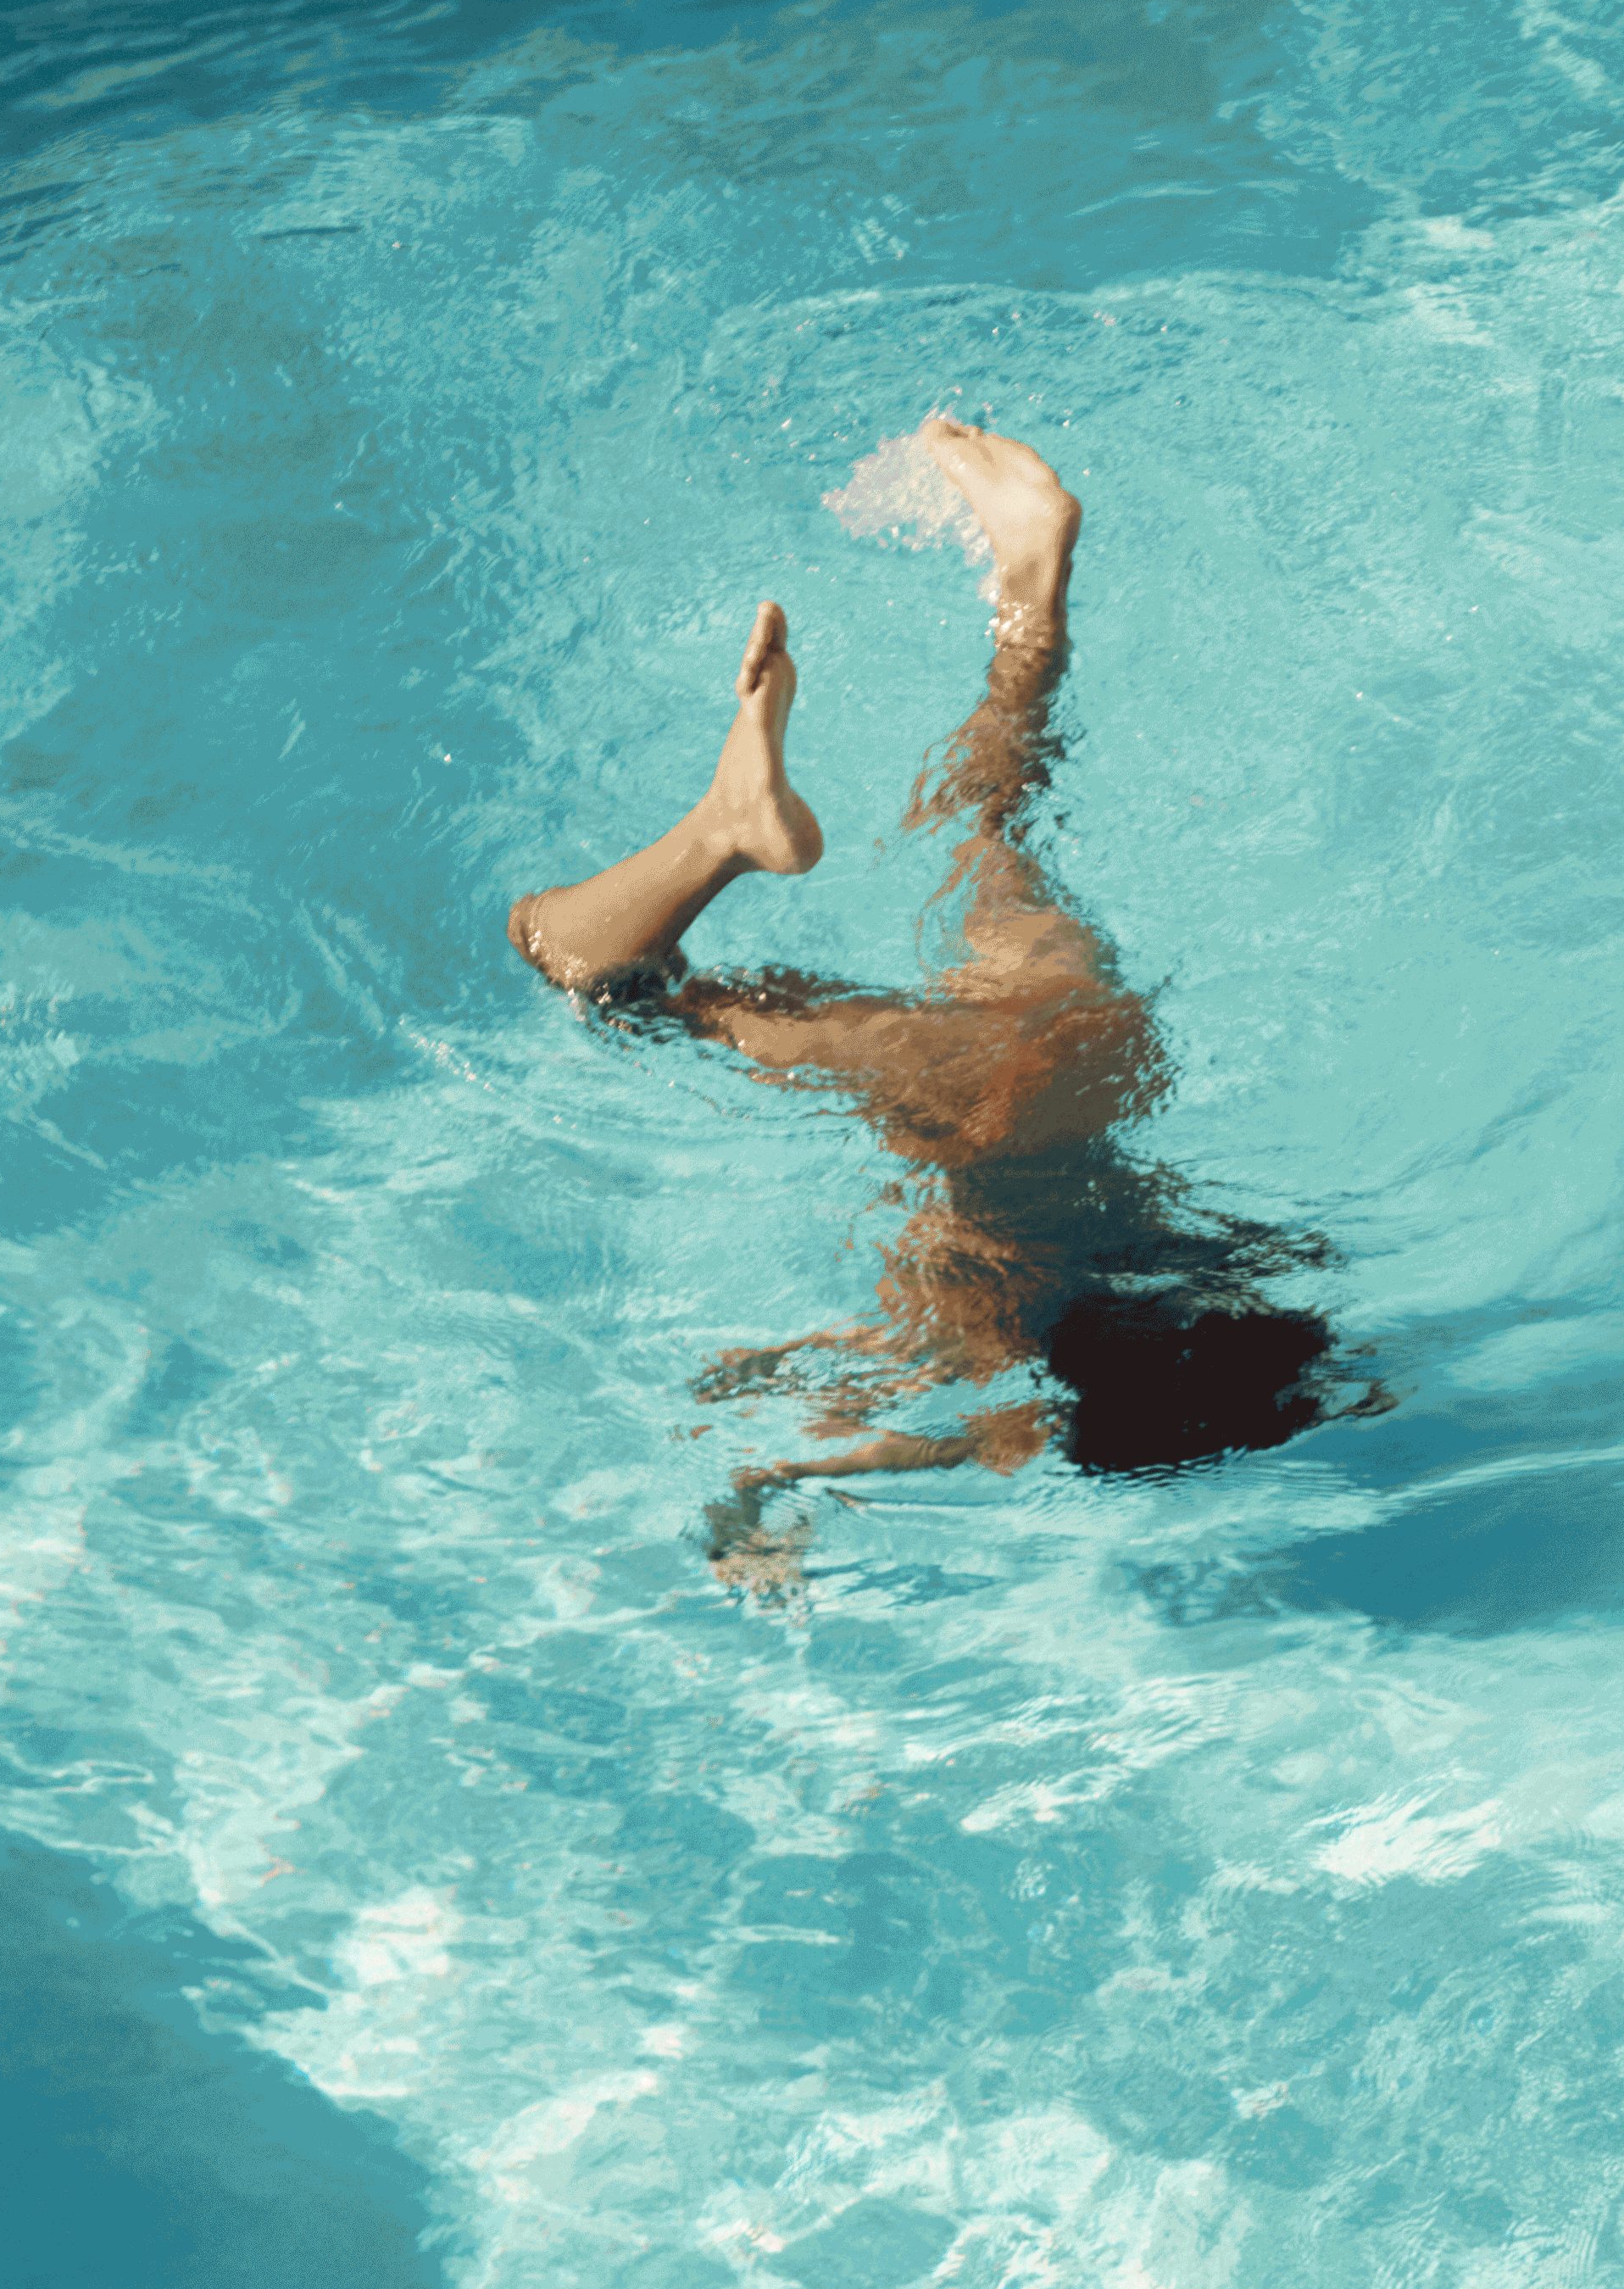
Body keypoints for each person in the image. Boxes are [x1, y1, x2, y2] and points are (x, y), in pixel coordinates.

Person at [506, 418, 1367, 1516]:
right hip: (967, 1098)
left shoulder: (1175, 1270)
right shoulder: (991, 1357)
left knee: (995, 826)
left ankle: (1033, 579)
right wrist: (747, 1507)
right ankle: (724, 831)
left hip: (1088, 1047)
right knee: (592, 975)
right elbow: (825, 1436)